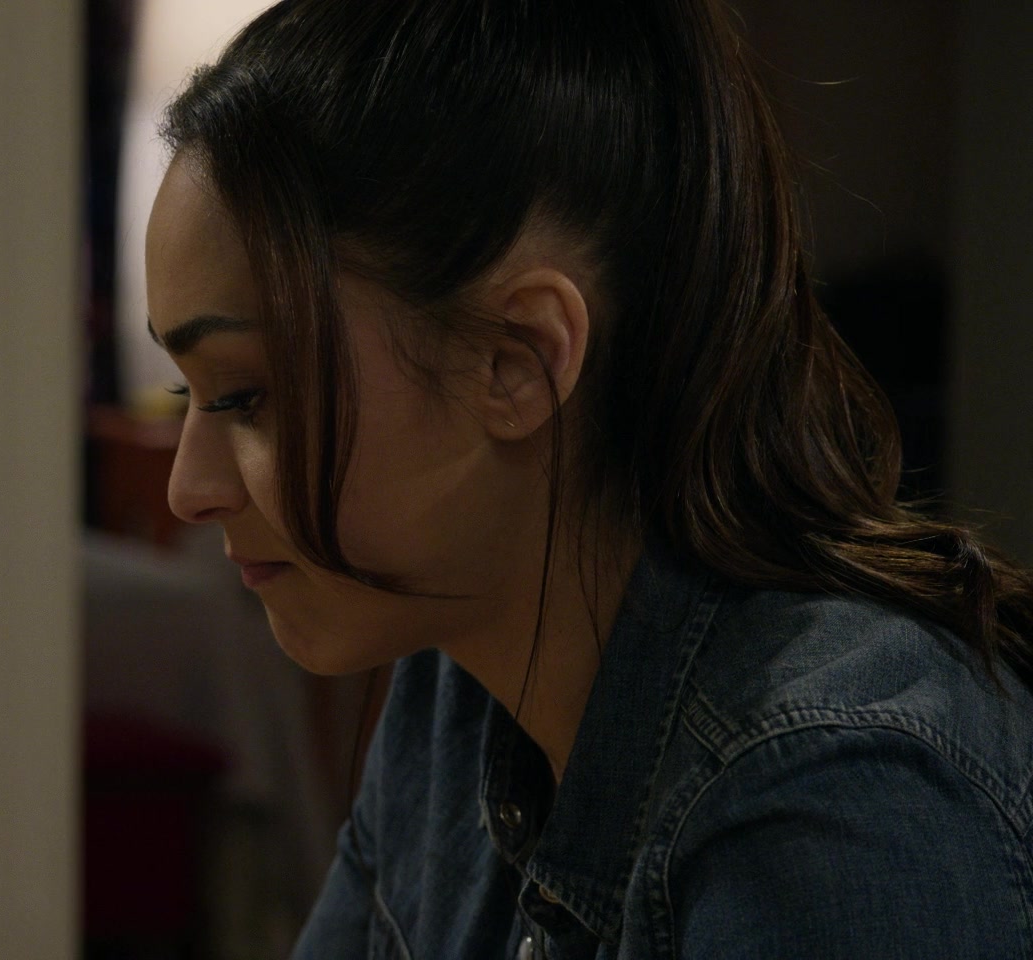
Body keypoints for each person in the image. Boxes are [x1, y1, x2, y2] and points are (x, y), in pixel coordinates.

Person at [142, 0, 1033, 957]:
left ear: (518, 359)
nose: (188, 490)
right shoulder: (456, 679)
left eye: (245, 394)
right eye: (187, 392)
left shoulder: (833, 807)